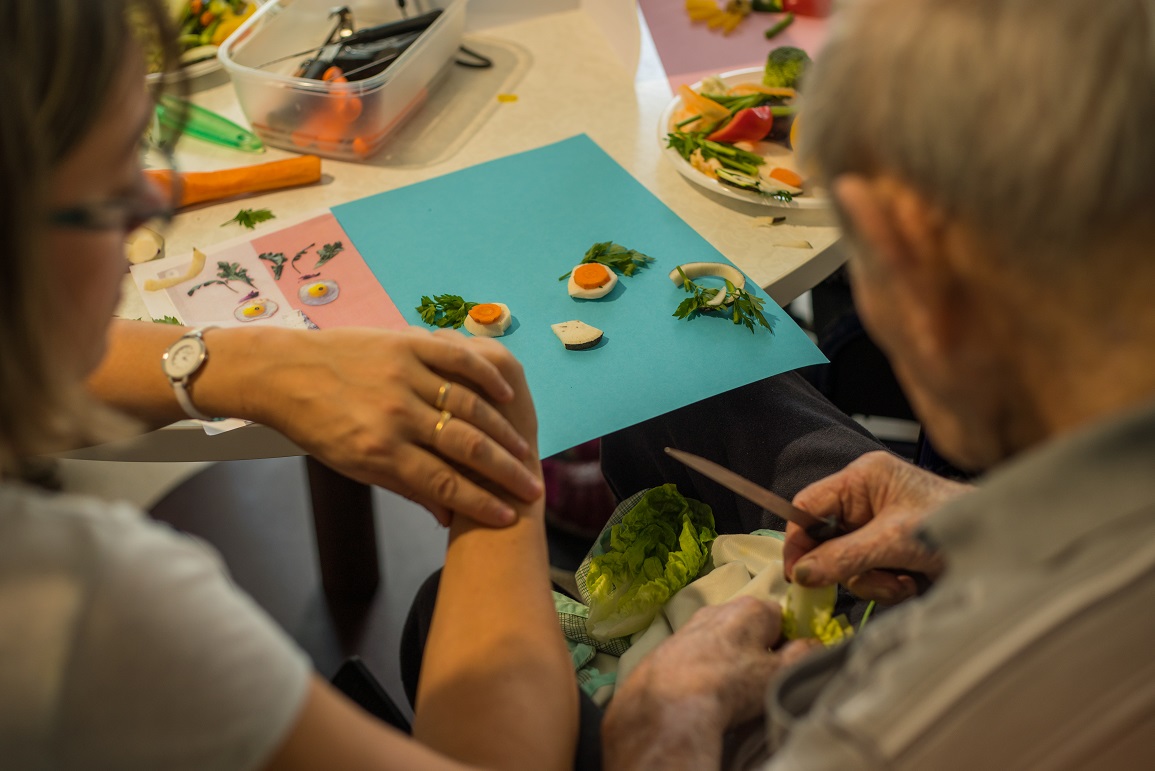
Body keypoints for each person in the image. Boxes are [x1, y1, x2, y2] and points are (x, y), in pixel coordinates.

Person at [0, 0, 577, 767]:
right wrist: (500, 470)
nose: (154, 207)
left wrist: (249, 364)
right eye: (111, 189)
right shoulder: (82, 604)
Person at [598, 0, 1155, 767]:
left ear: (904, 252)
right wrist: (967, 515)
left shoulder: (886, 735)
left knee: (435, 611)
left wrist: (659, 732)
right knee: (689, 383)